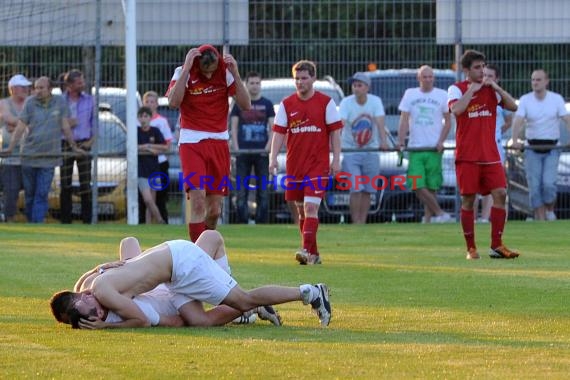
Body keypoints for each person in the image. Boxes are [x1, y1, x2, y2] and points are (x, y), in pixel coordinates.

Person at [50, 235, 331, 328]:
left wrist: (104, 329)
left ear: (84, 298)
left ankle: (310, 292)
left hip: (182, 264)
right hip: (173, 268)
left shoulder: (102, 292)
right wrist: (107, 265)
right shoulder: (85, 286)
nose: (99, 314)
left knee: (243, 298)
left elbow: (141, 320)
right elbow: (84, 283)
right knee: (200, 321)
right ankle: (251, 309)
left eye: (94, 313)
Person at [167, 44, 250, 241]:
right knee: (197, 202)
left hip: (219, 143)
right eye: (205, 72)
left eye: (213, 71)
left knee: (214, 211)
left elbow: (246, 104)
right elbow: (173, 102)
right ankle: (197, 258)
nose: (210, 76)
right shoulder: (183, 71)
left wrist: (236, 74)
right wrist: (186, 70)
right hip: (192, 143)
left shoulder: (225, 71)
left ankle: (206, 250)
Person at [269, 60, 343, 265]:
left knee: (311, 209)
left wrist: (336, 159)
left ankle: (304, 250)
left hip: (318, 165)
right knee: (302, 210)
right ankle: (314, 254)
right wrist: (273, 158)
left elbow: (336, 133)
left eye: (304, 78)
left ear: (313, 79)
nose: (300, 82)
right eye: (297, 79)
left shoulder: (326, 103)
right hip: (295, 166)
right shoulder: (286, 104)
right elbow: (278, 134)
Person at [447, 50, 519, 260]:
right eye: (477, 67)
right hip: (468, 156)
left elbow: (513, 106)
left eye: (483, 66)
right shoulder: (456, 89)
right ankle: (471, 248)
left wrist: (495, 87)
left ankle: (497, 245)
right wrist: (472, 90)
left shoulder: (491, 90)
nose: (482, 71)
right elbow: (457, 110)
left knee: (501, 194)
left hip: (490, 155)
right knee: (469, 200)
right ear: (467, 70)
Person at [2, 77, 85, 223]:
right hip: (29, 155)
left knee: (41, 193)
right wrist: (10, 147)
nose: (37, 91)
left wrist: (73, 146)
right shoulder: (30, 103)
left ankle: (36, 223)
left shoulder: (59, 102)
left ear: (50, 89)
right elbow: (21, 126)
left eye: (41, 88)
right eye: (36, 88)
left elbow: (65, 125)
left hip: (49, 157)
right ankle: (31, 222)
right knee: (30, 194)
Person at [511, 69, 570, 221]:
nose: (535, 83)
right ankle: (541, 219)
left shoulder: (556, 99)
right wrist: (515, 139)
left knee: (549, 184)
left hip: (552, 148)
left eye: (538, 79)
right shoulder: (525, 100)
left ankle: (549, 209)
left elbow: (566, 119)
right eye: (533, 80)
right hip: (532, 149)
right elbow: (518, 121)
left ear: (546, 81)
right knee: (535, 187)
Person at [397, 65, 452, 224]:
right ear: (418, 78)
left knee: (431, 185)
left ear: (433, 78)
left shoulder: (442, 95)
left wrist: (441, 141)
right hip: (415, 147)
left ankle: (428, 219)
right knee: (416, 183)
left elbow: (448, 121)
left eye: (430, 77)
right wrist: (401, 141)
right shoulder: (410, 94)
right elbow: (404, 119)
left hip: (434, 147)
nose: (428, 80)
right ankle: (440, 213)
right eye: (424, 77)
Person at [339, 72, 387, 224]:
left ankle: (362, 221)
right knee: (356, 187)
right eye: (354, 85)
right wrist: (336, 144)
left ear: (367, 87)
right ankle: (355, 221)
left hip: (371, 150)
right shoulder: (346, 102)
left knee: (368, 189)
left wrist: (383, 142)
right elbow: (340, 123)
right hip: (350, 151)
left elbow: (380, 123)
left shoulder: (375, 101)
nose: (356, 88)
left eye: (359, 85)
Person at [230, 71, 275, 224]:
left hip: (262, 154)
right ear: (246, 84)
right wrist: (236, 149)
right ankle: (242, 223)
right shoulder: (238, 104)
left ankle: (261, 224)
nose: (255, 86)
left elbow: (273, 129)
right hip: (242, 153)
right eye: (252, 83)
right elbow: (233, 128)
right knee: (241, 191)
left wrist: (268, 148)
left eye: (257, 83)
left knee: (263, 191)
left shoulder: (267, 104)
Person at [474, 64, 513, 223]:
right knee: (474, 184)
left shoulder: (499, 97)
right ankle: (473, 217)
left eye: (490, 76)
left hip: (495, 147)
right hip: (475, 146)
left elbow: (509, 119)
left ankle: (485, 218)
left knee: (493, 185)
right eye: (484, 75)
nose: (486, 79)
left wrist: (495, 133)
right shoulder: (473, 94)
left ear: (497, 79)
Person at [60, 70, 95, 224]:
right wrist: (67, 123)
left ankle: (87, 220)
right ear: (70, 85)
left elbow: (95, 123)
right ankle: (66, 220)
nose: (83, 84)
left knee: (85, 183)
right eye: (79, 82)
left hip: (84, 143)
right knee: (65, 182)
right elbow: (57, 122)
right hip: (65, 145)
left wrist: (91, 142)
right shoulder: (60, 101)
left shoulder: (90, 100)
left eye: (83, 81)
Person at [0, 74, 32, 222]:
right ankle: (10, 218)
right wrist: (25, 125)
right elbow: (8, 118)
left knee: (32, 190)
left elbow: (35, 122)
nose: (26, 89)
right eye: (22, 86)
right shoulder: (4, 103)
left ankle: (32, 219)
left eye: (27, 86)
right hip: (10, 157)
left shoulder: (31, 103)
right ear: (12, 89)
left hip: (31, 155)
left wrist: (18, 125)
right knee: (11, 190)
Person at [140, 91, 173, 224]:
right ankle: (144, 224)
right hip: (143, 163)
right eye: (147, 101)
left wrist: (149, 147)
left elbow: (168, 145)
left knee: (160, 198)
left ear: (157, 104)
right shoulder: (138, 122)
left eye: (152, 102)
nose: (149, 104)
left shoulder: (162, 122)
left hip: (160, 164)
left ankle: (163, 223)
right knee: (144, 199)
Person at [137, 106, 168, 224]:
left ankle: (148, 225)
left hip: (154, 170)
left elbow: (165, 147)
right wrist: (149, 148)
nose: (143, 118)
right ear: (138, 118)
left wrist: (148, 147)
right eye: (141, 116)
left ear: (150, 118)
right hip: (141, 170)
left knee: (152, 201)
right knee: (148, 200)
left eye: (146, 116)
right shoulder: (136, 131)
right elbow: (134, 147)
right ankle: (161, 220)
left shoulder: (155, 131)